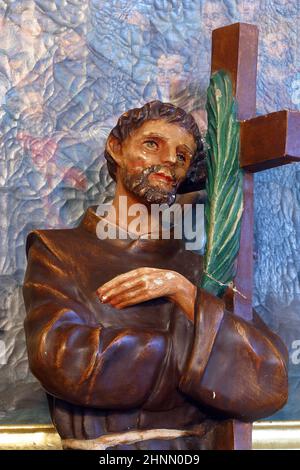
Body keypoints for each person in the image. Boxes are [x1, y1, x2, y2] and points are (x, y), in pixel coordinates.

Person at [22, 101, 288, 450]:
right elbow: (65, 359)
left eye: (182, 156)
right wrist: (205, 359)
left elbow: (269, 379)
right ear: (117, 149)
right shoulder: (58, 251)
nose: (169, 161)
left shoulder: (198, 271)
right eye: (152, 144)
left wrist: (184, 293)